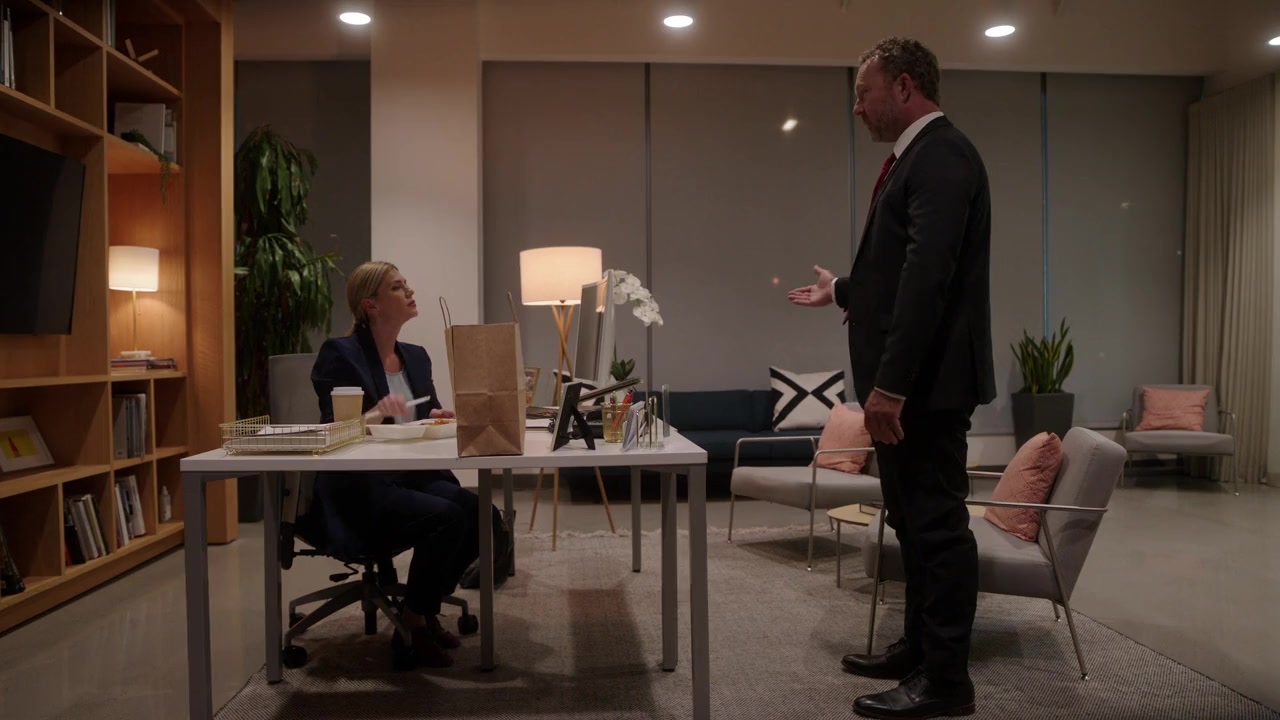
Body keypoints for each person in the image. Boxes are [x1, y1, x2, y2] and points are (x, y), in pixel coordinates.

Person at [789, 37, 995, 719]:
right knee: (910, 522)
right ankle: (919, 650)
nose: (856, 107)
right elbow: (897, 272)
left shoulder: (943, 156)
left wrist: (891, 386)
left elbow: (928, 280)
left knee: (937, 528)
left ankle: (947, 682)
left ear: (904, 86)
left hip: (926, 390)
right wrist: (845, 290)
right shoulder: (917, 159)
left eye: (863, 92)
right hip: (914, 387)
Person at [310, 260, 511, 668]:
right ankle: (416, 624)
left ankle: (420, 607)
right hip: (363, 485)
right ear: (371, 305)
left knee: (483, 517)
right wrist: (375, 413)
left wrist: (437, 416)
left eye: (406, 284)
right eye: (397, 287)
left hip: (413, 475)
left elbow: (425, 414)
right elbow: (335, 430)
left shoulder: (416, 358)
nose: (410, 291)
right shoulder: (341, 354)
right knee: (447, 518)